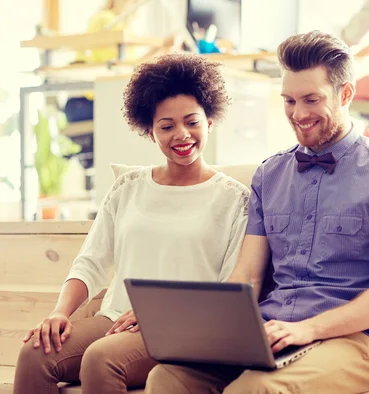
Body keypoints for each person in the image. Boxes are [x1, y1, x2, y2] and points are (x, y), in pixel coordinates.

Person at [145, 31, 369, 394]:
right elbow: (249, 277)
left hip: (353, 341)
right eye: (289, 101)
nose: (298, 114)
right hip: (273, 331)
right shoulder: (269, 175)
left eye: (311, 99)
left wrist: (309, 329)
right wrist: (210, 328)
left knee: (253, 390)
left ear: (345, 94)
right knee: (167, 378)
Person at [13, 53, 250, 394]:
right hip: (114, 319)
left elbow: (229, 289)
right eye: (167, 126)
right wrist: (59, 312)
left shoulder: (234, 199)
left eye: (192, 122)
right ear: (151, 133)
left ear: (209, 122)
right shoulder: (128, 188)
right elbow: (91, 263)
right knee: (35, 352)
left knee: (101, 358)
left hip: (181, 328)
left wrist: (162, 312)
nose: (181, 134)